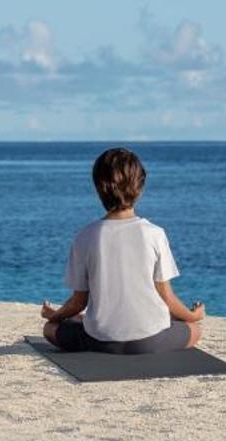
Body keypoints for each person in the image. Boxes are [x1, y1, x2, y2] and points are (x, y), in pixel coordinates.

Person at [40, 146, 206, 353]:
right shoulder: (154, 233)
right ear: (140, 187)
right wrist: (194, 316)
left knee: (50, 329)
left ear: (98, 188)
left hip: (101, 341)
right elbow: (167, 298)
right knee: (194, 329)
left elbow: (77, 302)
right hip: (149, 342)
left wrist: (52, 315)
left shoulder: (85, 236)